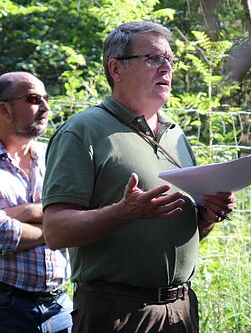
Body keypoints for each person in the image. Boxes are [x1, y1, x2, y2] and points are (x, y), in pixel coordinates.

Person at [41, 21, 235, 333]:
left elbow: (182, 230)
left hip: (181, 310)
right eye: (153, 58)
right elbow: (55, 231)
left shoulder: (176, 136)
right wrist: (122, 213)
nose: (166, 68)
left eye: (169, 59)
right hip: (117, 312)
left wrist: (208, 216)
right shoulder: (82, 132)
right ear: (115, 68)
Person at [0, 72, 72, 332]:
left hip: (59, 304)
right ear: (5, 110)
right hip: (1, 306)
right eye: (34, 99)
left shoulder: (53, 158)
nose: (46, 107)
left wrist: (26, 212)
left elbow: (80, 210)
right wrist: (59, 227)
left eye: (45, 98)